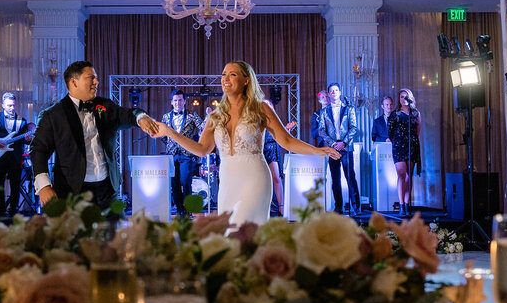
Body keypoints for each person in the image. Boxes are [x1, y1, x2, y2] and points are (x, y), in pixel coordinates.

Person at [153, 62, 339, 226]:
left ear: (246, 80)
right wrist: (170, 132)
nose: (225, 78)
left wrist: (317, 150)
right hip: (227, 184)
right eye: (224, 74)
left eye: (232, 74)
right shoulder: (215, 116)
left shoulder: (261, 108)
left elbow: (286, 141)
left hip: (255, 180)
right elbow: (202, 150)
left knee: (244, 232)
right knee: (233, 241)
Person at [31, 61, 157, 210]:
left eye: (96, 78)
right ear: (74, 82)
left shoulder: (106, 106)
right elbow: (38, 150)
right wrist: (44, 186)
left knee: (111, 232)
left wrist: (141, 117)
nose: (96, 81)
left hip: (107, 189)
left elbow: (128, 114)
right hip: (71, 191)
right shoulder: (52, 115)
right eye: (91, 77)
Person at [0, 92, 35, 216]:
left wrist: (28, 140)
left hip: (15, 157)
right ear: (2, 105)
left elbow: (23, 141)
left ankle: (13, 210)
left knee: (15, 185)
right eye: (9, 105)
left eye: (14, 105)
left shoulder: (22, 121)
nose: (12, 108)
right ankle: (1, 210)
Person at [319, 82, 361, 215]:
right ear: (328, 94)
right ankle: (338, 207)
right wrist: (333, 143)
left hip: (346, 147)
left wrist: (344, 142)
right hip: (332, 148)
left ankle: (355, 207)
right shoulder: (324, 111)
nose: (334, 92)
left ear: (340, 92)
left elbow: (354, 128)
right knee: (335, 178)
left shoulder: (349, 109)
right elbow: (321, 130)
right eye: (331, 91)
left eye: (336, 90)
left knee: (350, 177)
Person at [159, 91, 203, 216]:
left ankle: (188, 209)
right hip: (172, 155)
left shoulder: (191, 115)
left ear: (184, 101)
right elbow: (163, 136)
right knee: (175, 183)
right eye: (175, 100)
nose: (178, 103)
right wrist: (171, 145)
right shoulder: (166, 117)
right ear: (171, 102)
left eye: (180, 100)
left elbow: (202, 127)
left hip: (187, 154)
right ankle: (180, 210)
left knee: (185, 181)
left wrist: (209, 116)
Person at [388, 88, 422, 215]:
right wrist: (398, 141)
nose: (404, 99)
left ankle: (408, 205)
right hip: (398, 146)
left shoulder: (416, 113)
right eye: (401, 96)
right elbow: (390, 132)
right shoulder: (395, 114)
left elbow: (417, 131)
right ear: (399, 99)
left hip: (412, 146)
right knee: (402, 175)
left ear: (411, 98)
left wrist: (410, 140)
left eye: (406, 96)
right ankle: (401, 205)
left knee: (409, 176)